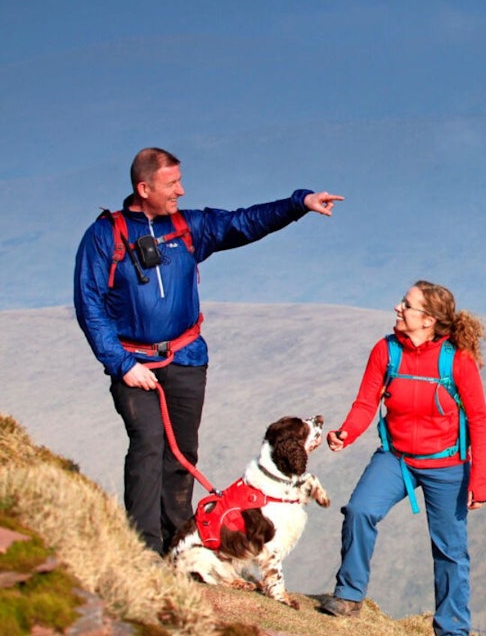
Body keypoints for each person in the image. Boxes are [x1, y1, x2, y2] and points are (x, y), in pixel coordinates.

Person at [73, 147, 344, 555]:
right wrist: (123, 364)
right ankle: (144, 552)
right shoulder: (104, 237)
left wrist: (298, 203)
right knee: (147, 444)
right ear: (144, 188)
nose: (181, 190)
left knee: (182, 452)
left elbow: (242, 223)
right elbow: (89, 304)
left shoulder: (188, 227)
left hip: (185, 359)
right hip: (135, 363)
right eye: (172, 184)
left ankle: (178, 546)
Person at [321, 280, 486, 636]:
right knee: (359, 510)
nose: (398, 308)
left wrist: (479, 480)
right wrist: (346, 434)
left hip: (446, 464)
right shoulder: (386, 350)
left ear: (428, 319)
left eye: (407, 304)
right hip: (395, 457)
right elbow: (367, 401)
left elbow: (478, 418)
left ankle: (452, 629)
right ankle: (350, 596)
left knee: (450, 550)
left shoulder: (457, 359)